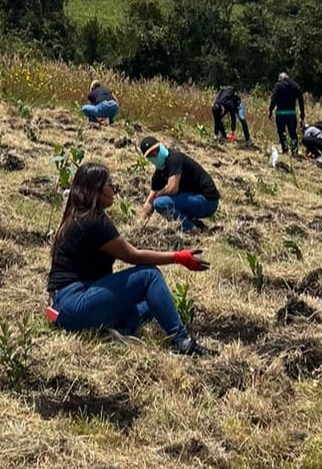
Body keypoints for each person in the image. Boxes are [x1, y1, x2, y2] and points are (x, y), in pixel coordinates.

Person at [46, 162, 215, 356]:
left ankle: (121, 328)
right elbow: (133, 255)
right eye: (110, 185)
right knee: (150, 276)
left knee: (156, 300)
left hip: (64, 304)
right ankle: (183, 341)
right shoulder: (93, 221)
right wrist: (178, 257)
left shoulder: (77, 216)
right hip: (72, 304)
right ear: (97, 190)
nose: (114, 190)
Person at [138, 136, 221, 232]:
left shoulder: (174, 159)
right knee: (158, 202)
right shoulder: (159, 173)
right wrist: (141, 222)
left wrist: (158, 194)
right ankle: (193, 223)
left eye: (156, 150)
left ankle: (189, 228)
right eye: (151, 155)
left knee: (160, 203)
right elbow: (150, 200)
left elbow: (172, 188)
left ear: (161, 146)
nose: (156, 154)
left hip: (207, 201)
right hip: (194, 198)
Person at [268, 73, 305, 154]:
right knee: (293, 132)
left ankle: (285, 149)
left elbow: (273, 98)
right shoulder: (295, 85)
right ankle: (294, 150)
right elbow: (301, 99)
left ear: (280, 78)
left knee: (281, 132)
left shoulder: (278, 85)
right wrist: (302, 113)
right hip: (291, 113)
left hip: (280, 113)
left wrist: (270, 110)